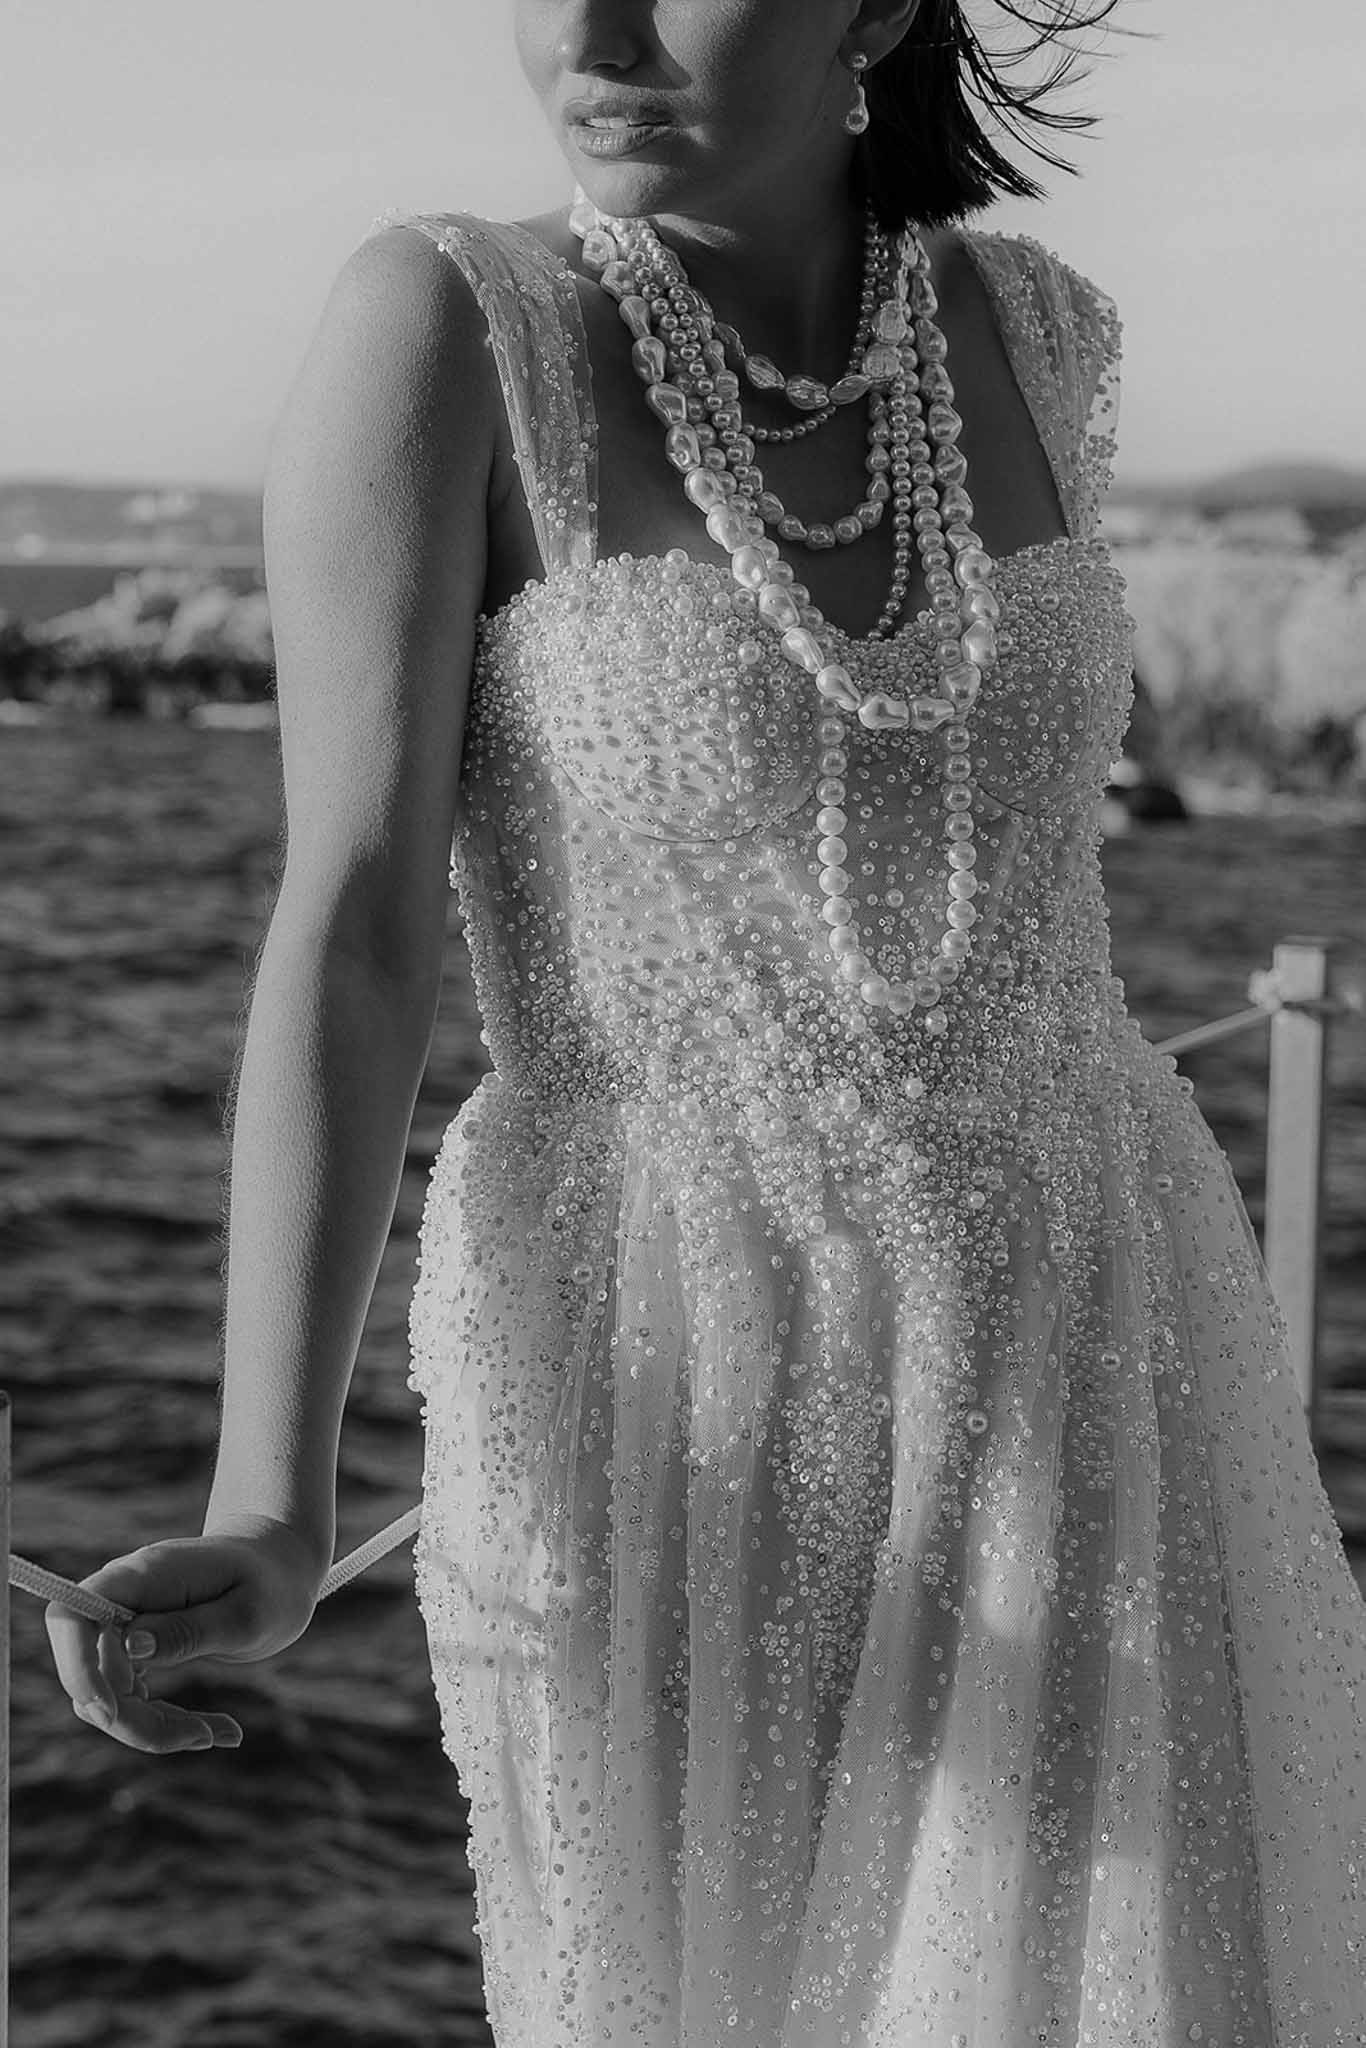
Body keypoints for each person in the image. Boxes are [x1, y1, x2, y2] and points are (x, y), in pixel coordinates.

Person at [47, 1, 1366, 2041]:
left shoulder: (1038, 334)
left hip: (1094, 1329)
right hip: (668, 1370)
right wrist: (267, 1498)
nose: (587, 25)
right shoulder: (444, 332)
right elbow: (356, 927)